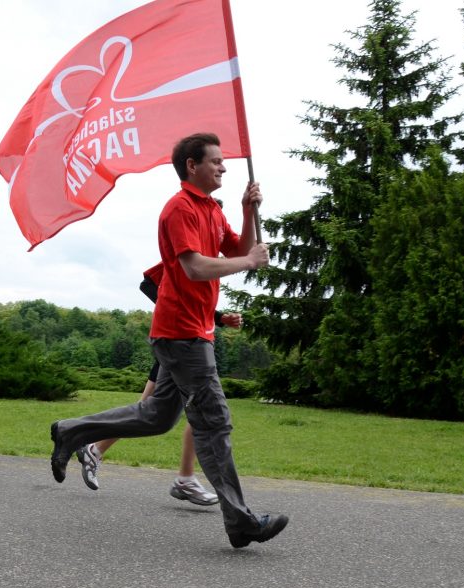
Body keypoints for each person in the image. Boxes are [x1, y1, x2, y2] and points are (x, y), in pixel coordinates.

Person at [50, 132, 289, 549]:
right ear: (192, 165)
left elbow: (240, 246)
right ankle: (241, 521)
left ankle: (71, 433)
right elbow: (195, 267)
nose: (224, 167)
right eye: (215, 161)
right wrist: (249, 262)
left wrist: (248, 212)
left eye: (223, 162)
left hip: (193, 331)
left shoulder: (211, 209)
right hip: (183, 335)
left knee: (158, 417)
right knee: (214, 423)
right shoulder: (179, 208)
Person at [76, 262, 242, 506]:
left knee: (155, 411)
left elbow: (198, 303)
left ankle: (94, 448)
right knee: (201, 413)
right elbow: (148, 284)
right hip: (178, 344)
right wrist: (174, 310)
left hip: (192, 345)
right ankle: (183, 478)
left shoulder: (208, 256)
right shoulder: (186, 251)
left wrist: (219, 317)